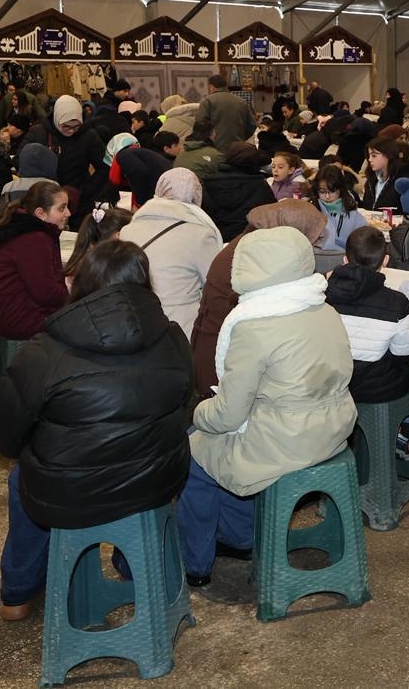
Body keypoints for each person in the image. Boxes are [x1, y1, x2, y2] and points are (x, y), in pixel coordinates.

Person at [0, 239, 194, 621]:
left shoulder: (46, 347)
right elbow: (185, 407)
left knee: (22, 481)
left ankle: (18, 592)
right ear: (144, 281)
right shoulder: (173, 335)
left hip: (70, 493)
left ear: (81, 282)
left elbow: (2, 430)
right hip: (156, 480)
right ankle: (138, 569)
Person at [178, 226, 356, 586]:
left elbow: (228, 414)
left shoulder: (254, 326)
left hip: (286, 441)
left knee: (194, 450)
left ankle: (196, 562)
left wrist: (195, 412)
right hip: (334, 429)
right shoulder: (323, 308)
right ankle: (242, 534)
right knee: (225, 447)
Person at [188, 200, 326, 399]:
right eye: (314, 237)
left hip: (220, 351)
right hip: (222, 366)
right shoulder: (259, 256)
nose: (317, 243)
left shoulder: (254, 243)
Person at [326, 226, 409, 443]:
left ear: (345, 259)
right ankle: (405, 439)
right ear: (386, 261)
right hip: (376, 388)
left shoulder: (323, 293)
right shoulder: (398, 303)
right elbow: (405, 356)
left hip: (331, 381)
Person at [0, 180, 70, 376]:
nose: (68, 213)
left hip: (9, 313)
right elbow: (45, 293)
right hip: (20, 318)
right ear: (40, 214)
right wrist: (75, 295)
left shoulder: (24, 231)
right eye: (62, 208)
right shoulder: (36, 239)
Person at [117, 169, 221, 336]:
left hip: (134, 322)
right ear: (197, 195)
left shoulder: (128, 230)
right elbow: (215, 286)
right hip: (180, 328)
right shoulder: (201, 234)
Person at [201, 140, 277, 242]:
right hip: (248, 241)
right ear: (254, 163)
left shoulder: (209, 183)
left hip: (212, 239)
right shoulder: (260, 186)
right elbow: (272, 215)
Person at [312, 164, 368, 250]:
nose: (327, 196)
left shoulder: (354, 217)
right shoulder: (310, 212)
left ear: (341, 190)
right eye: (322, 192)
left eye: (332, 191)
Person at [200, 74, 256, 149]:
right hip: (237, 148)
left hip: (214, 148)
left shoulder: (208, 101)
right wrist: (241, 137)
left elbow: (199, 124)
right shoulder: (241, 102)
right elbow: (252, 125)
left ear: (211, 87)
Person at [360, 139, 404, 212]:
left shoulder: (401, 183)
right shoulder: (370, 181)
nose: (369, 159)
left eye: (374, 155)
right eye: (369, 156)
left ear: (388, 155)